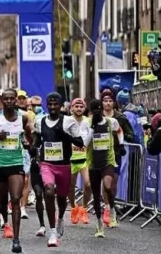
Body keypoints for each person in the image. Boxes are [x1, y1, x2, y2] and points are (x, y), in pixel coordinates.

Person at [0, 88, 32, 253]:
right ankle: (5, 219)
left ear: (16, 100)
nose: (9, 101)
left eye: (12, 99)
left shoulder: (22, 119)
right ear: (2, 100)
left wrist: (27, 144)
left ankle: (16, 240)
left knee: (15, 199)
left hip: (16, 164)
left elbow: (29, 138)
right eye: (6, 99)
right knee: (2, 202)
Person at [32, 93, 84, 247]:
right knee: (48, 191)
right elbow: (37, 139)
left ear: (61, 105)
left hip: (64, 165)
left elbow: (80, 142)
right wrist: (33, 147)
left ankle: (61, 218)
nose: (53, 107)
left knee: (62, 199)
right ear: (47, 105)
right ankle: (53, 231)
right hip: (47, 164)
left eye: (56, 104)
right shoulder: (40, 121)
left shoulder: (69, 121)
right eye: (50, 104)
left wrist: (65, 135)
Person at [84, 99, 122, 237]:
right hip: (93, 163)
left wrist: (121, 144)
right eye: (95, 110)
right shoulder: (87, 123)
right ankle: (99, 225)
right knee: (95, 194)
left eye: (100, 110)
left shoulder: (110, 122)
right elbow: (85, 143)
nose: (98, 112)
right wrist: (92, 129)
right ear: (91, 112)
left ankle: (111, 210)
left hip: (108, 161)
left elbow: (119, 131)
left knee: (107, 186)